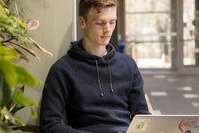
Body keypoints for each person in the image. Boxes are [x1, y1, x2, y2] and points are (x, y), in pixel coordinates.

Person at [39, 0, 150, 132]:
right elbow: (49, 125)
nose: (107, 29)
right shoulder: (62, 70)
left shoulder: (128, 65)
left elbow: (143, 116)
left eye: (112, 22)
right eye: (100, 23)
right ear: (82, 22)